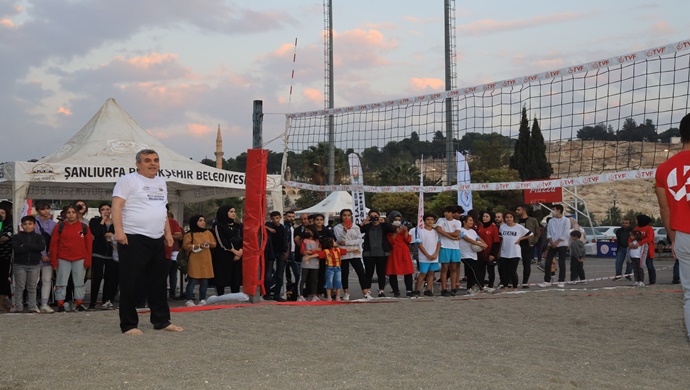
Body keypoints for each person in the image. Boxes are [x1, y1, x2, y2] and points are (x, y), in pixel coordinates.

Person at [112, 149, 183, 334]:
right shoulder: (128, 180)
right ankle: (128, 324)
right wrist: (118, 231)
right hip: (133, 237)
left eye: (156, 160)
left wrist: (167, 234)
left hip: (156, 239)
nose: (153, 163)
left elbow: (162, 210)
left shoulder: (161, 182)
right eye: (147, 160)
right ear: (138, 164)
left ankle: (162, 321)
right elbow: (117, 206)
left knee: (158, 282)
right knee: (131, 282)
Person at [655, 112, 690, 341]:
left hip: (683, 235)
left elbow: (665, 209)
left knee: (689, 293)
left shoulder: (664, 169)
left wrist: (672, 238)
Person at [49, 204, 92, 312]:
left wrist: (88, 260)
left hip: (80, 258)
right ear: (65, 214)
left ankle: (79, 303)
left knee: (79, 282)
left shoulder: (84, 227)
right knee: (61, 282)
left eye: (73, 212)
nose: (71, 215)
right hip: (63, 258)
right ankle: (60, 303)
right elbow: (53, 244)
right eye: (69, 212)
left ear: (77, 214)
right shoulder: (59, 226)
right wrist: (54, 261)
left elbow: (89, 245)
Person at [12, 215, 45, 313]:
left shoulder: (39, 237)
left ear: (34, 225)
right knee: (19, 287)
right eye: (25, 224)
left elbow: (41, 247)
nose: (27, 226)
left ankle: (32, 306)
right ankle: (18, 307)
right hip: (19, 264)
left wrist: (25, 245)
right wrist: (33, 248)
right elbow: (17, 249)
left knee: (32, 286)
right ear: (21, 225)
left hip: (34, 264)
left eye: (30, 224)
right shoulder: (16, 237)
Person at [304, 237, 354, 301]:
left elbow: (346, 250)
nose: (335, 242)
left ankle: (337, 296)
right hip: (330, 268)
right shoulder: (326, 251)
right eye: (334, 241)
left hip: (337, 268)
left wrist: (354, 250)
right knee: (329, 282)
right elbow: (318, 254)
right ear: (330, 244)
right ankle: (329, 296)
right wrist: (310, 256)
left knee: (338, 282)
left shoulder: (338, 250)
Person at [361, 210, 396, 298]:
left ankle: (381, 290)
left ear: (379, 216)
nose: (374, 218)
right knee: (369, 272)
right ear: (369, 217)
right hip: (369, 253)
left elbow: (392, 230)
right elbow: (358, 230)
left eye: (376, 216)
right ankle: (368, 291)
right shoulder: (367, 226)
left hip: (382, 253)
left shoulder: (384, 226)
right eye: (372, 216)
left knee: (381, 273)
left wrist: (384, 222)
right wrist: (363, 222)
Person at [183, 215, 217, 306]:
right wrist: (198, 246)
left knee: (205, 280)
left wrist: (209, 244)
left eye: (204, 220)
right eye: (200, 220)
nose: (203, 222)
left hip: (206, 259)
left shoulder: (208, 233)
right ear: (195, 222)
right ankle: (189, 299)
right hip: (194, 259)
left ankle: (202, 299)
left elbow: (214, 244)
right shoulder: (189, 234)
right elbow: (186, 246)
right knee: (193, 280)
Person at [333, 209, 366, 300]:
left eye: (348, 215)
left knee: (361, 272)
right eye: (344, 215)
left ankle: (365, 292)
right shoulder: (337, 228)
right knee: (345, 273)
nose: (346, 217)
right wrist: (344, 231)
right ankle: (346, 293)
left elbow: (359, 239)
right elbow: (339, 241)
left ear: (351, 216)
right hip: (344, 254)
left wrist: (347, 243)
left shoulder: (356, 227)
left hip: (355, 253)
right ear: (341, 216)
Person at [89, 203, 117, 310]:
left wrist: (112, 236)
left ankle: (107, 301)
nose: (106, 211)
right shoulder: (94, 221)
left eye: (108, 209)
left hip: (112, 254)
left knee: (110, 279)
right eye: (103, 209)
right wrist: (102, 221)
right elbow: (96, 233)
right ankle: (93, 302)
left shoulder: (116, 222)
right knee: (97, 277)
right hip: (98, 253)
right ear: (99, 211)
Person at [211, 205, 243, 296]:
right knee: (222, 277)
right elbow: (221, 240)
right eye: (231, 212)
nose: (233, 214)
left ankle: (235, 295)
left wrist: (240, 251)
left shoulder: (238, 226)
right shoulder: (218, 226)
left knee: (236, 277)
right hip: (224, 255)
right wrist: (233, 251)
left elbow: (243, 239)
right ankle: (220, 296)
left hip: (238, 255)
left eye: (234, 212)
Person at [498, 211, 532, 292]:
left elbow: (531, 234)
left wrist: (520, 239)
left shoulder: (519, 227)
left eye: (510, 217)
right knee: (504, 271)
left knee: (512, 270)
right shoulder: (502, 227)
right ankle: (505, 287)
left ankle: (515, 287)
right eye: (507, 217)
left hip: (514, 252)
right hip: (504, 251)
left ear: (513, 218)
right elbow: (500, 238)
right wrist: (499, 251)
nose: (509, 219)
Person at [539, 205, 570, 288]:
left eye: (554, 209)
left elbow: (566, 232)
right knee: (548, 261)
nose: (552, 211)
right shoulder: (551, 221)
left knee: (561, 262)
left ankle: (561, 280)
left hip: (562, 244)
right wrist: (551, 241)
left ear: (559, 210)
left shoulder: (566, 220)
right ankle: (547, 280)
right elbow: (548, 232)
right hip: (552, 244)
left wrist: (558, 241)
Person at [33, 201, 56, 313]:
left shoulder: (53, 224)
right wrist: (43, 254)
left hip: (49, 257)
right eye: (43, 209)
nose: (46, 211)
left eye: (48, 208)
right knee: (34, 281)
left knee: (47, 280)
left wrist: (50, 254)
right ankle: (32, 303)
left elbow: (55, 241)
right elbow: (37, 240)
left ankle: (44, 303)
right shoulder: (34, 223)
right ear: (37, 210)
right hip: (37, 256)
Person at [434, 206, 462, 296]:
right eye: (445, 211)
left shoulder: (457, 222)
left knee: (453, 268)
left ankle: (453, 287)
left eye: (449, 212)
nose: (446, 213)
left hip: (455, 247)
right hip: (444, 246)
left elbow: (456, 233)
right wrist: (451, 236)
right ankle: (444, 288)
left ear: (453, 213)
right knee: (444, 268)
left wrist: (444, 232)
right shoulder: (441, 220)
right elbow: (438, 229)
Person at [385, 211, 415, 298]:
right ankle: (395, 291)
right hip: (393, 252)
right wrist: (395, 232)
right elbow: (390, 241)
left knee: (408, 271)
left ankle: (409, 290)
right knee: (393, 272)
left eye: (399, 219)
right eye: (395, 219)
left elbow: (408, 240)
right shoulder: (389, 228)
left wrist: (405, 231)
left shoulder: (404, 228)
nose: (398, 221)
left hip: (404, 251)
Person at [412, 213, 441, 298]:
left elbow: (439, 243)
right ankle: (417, 289)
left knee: (431, 273)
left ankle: (428, 289)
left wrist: (436, 253)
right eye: (428, 219)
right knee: (423, 273)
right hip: (424, 257)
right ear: (424, 221)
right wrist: (427, 255)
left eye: (432, 220)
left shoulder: (436, 232)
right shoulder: (420, 231)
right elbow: (420, 245)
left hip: (434, 256)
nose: (430, 221)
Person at [459, 215, 488, 295]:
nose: (472, 222)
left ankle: (469, 288)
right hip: (464, 254)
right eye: (470, 220)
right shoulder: (461, 230)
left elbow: (478, 238)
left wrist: (484, 243)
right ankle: (481, 287)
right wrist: (480, 244)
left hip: (473, 254)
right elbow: (467, 239)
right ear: (464, 222)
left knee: (470, 272)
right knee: (475, 270)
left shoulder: (473, 231)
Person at [264, 211, 287, 301]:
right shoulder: (269, 225)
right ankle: (267, 294)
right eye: (273, 218)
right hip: (270, 252)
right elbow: (260, 226)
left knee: (280, 275)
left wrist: (286, 251)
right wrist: (269, 229)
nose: (275, 220)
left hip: (280, 252)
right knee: (268, 275)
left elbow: (286, 240)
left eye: (277, 218)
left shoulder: (282, 227)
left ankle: (277, 295)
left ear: (280, 217)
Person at [516, 205, 540, 288]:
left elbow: (537, 232)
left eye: (518, 209)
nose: (516, 211)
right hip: (516, 245)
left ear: (524, 210)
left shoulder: (533, 220)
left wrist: (534, 242)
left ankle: (525, 282)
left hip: (528, 245)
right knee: (513, 264)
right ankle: (513, 281)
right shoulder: (516, 221)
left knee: (526, 264)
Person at [630, 214, 656, 285]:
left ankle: (652, 280)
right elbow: (632, 236)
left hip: (647, 250)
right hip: (638, 251)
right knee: (638, 266)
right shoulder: (636, 228)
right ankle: (638, 280)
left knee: (649, 265)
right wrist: (630, 243)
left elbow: (649, 238)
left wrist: (640, 243)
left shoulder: (649, 228)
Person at [478, 211, 500, 290]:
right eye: (484, 216)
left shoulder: (494, 228)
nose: (485, 218)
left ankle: (490, 286)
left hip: (490, 252)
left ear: (491, 218)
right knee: (481, 270)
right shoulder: (480, 227)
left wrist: (493, 254)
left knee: (490, 270)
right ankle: (481, 285)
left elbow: (496, 242)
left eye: (487, 216)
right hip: (480, 252)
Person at [166, 209, 184, 300]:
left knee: (172, 274)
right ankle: (170, 293)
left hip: (173, 252)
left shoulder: (174, 224)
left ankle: (171, 293)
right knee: (171, 275)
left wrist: (168, 236)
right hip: (168, 252)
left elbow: (181, 237)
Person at [299, 228, 321, 301]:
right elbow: (303, 251)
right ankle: (300, 295)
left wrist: (311, 252)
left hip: (315, 261)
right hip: (306, 261)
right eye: (306, 231)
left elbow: (320, 251)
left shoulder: (317, 241)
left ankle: (314, 295)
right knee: (303, 278)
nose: (307, 232)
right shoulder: (304, 241)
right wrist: (315, 251)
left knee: (314, 279)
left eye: (309, 230)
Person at [0, 203, 13, 311]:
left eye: (3, 213)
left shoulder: (10, 224)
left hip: (6, 257)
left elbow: (8, 236)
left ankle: (2, 302)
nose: (1, 215)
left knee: (4, 280)